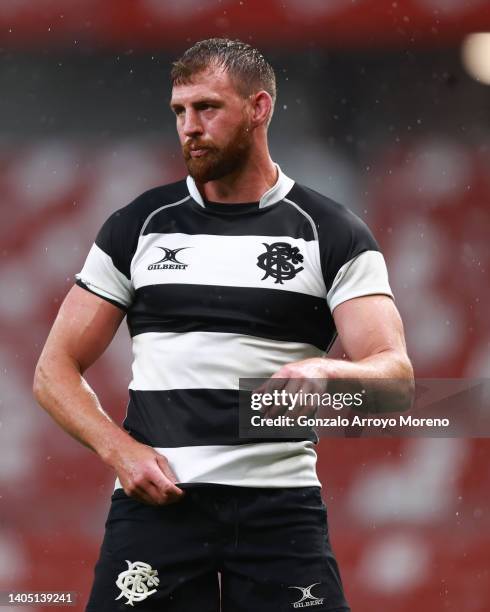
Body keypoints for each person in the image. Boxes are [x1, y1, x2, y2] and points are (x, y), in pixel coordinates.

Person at [33, 38, 413, 612]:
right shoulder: (137, 227)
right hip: (157, 509)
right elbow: (52, 371)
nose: (189, 126)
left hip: (278, 507)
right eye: (179, 111)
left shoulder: (332, 232)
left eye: (207, 107)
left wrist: (328, 373)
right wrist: (119, 450)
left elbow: (397, 379)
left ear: (259, 108)